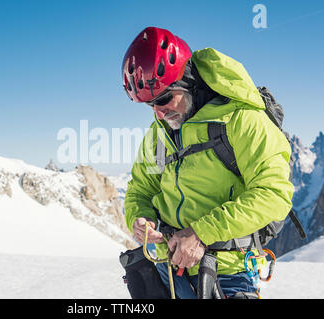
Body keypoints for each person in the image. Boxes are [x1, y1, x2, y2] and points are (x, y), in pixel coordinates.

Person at [122, 27, 294, 299]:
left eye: (164, 98)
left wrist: (201, 233)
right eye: (150, 105)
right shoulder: (159, 135)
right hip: (168, 274)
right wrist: (140, 217)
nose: (158, 112)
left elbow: (274, 195)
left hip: (228, 273)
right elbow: (141, 190)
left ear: (188, 80)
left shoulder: (243, 120)